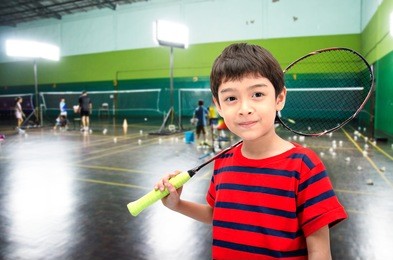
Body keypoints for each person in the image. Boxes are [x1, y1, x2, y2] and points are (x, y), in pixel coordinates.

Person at [155, 43, 347, 259]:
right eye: (231, 98)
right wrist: (177, 204)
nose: (244, 108)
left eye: (257, 94)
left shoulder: (304, 166)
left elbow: (319, 252)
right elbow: (215, 214)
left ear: (279, 98)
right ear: (218, 105)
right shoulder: (222, 161)